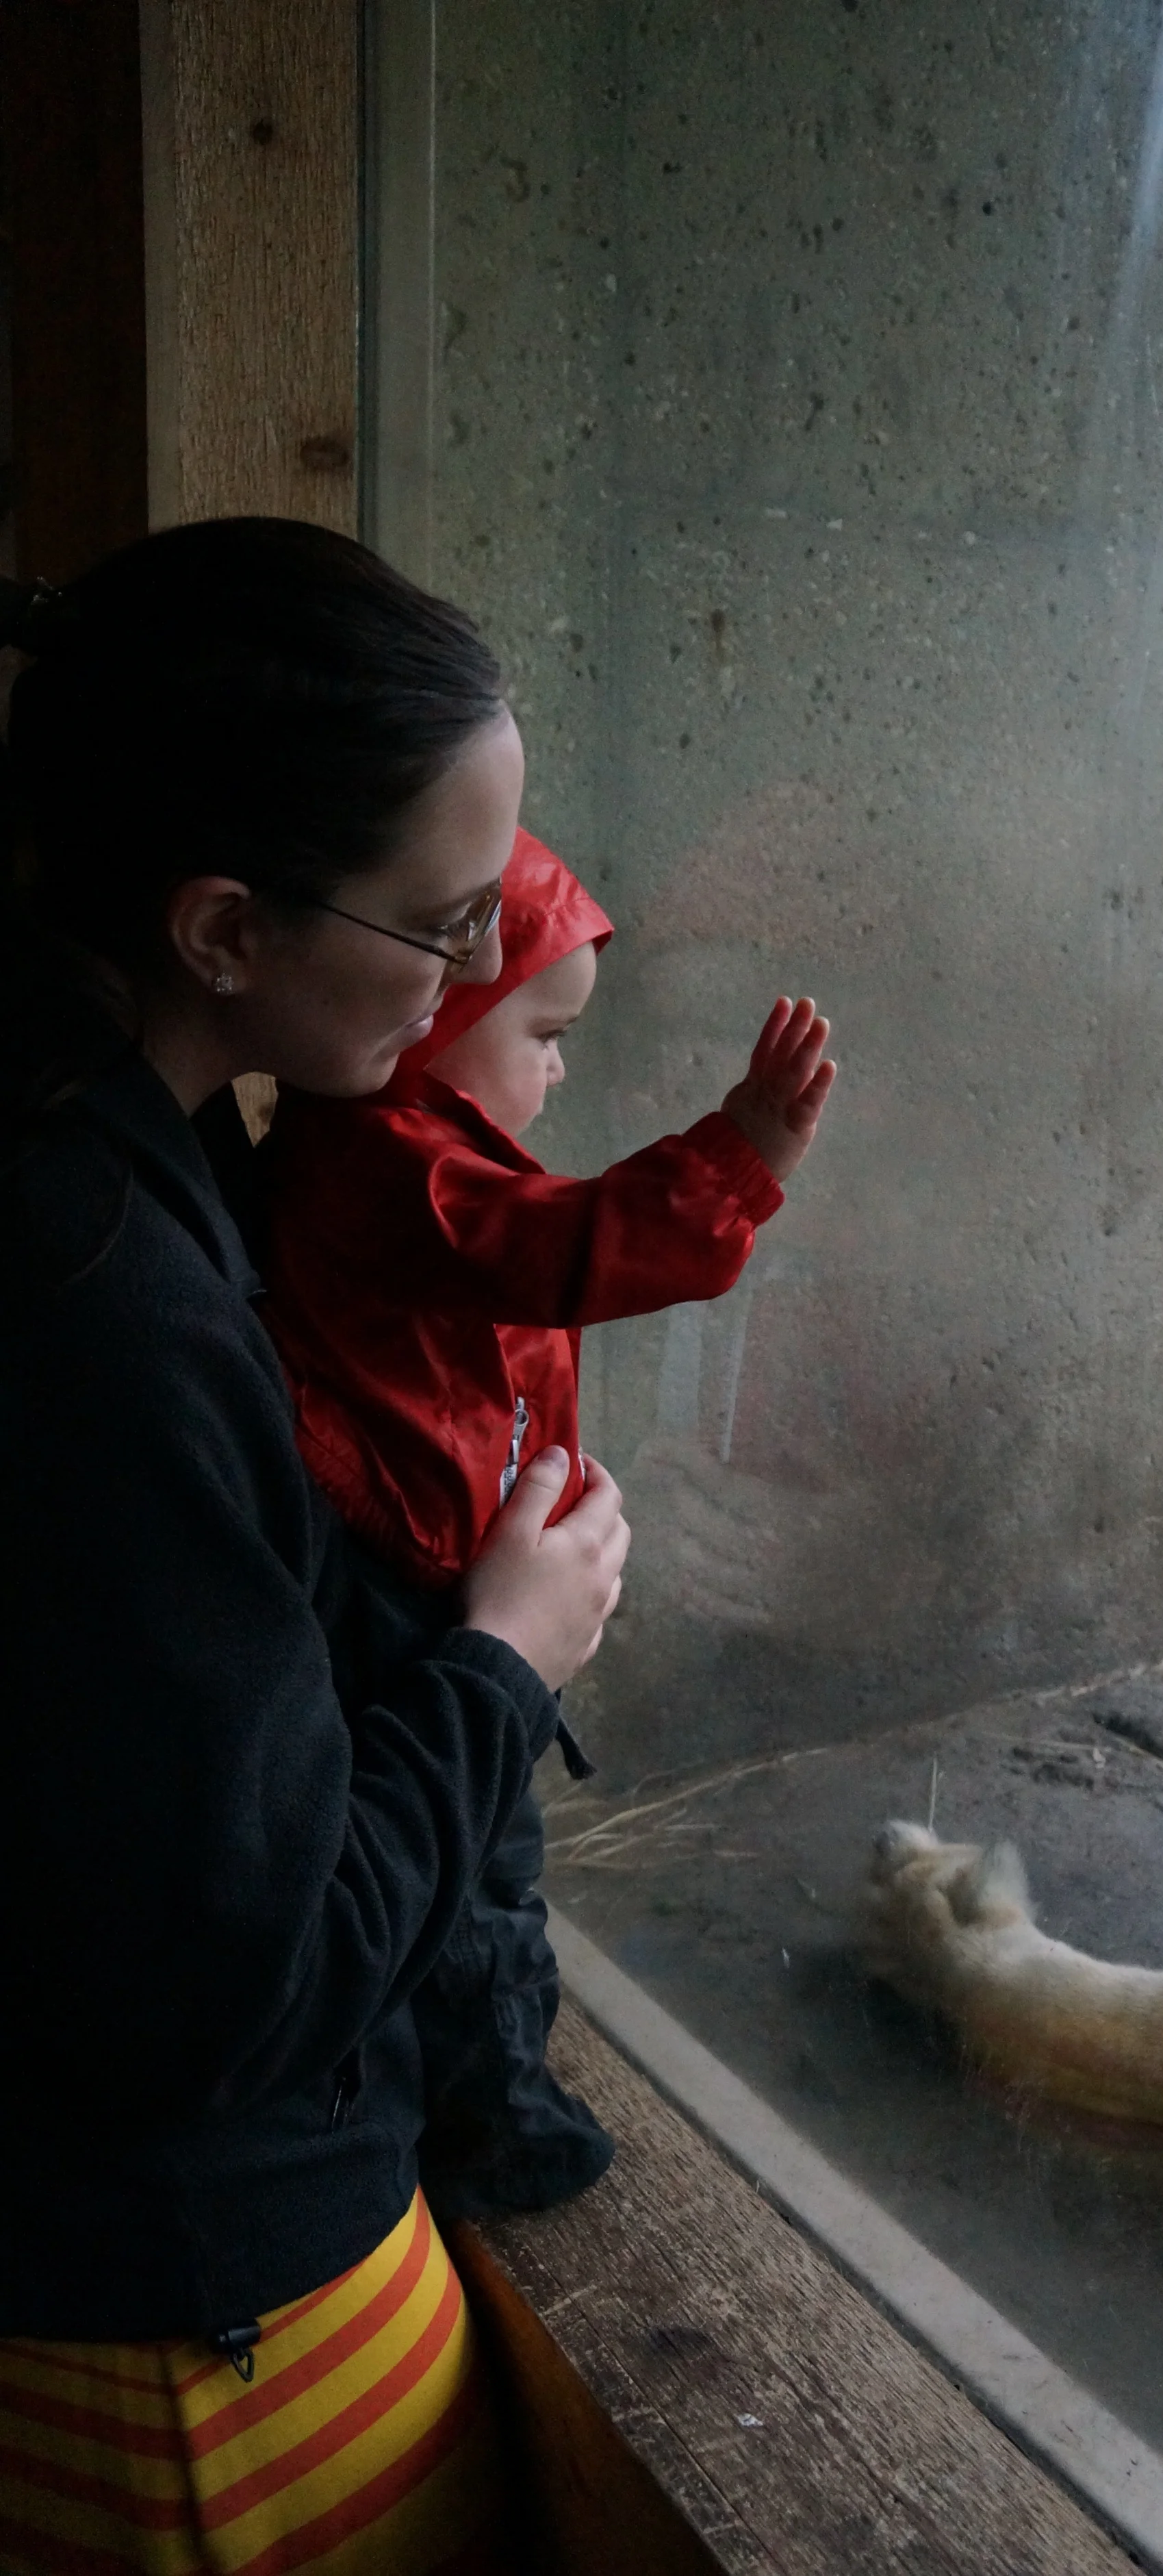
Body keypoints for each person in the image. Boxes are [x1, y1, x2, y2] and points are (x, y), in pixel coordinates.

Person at [0, 518, 630, 2575]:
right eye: (442, 924)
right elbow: (240, 1984)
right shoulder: (103, 1301)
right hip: (198, 2336)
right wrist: (506, 1656)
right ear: (217, 930)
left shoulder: (105, 1136)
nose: (469, 980)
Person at [257, 823, 834, 2219]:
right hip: (402, 1577)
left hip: (411, 1552)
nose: (560, 1067)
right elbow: (558, 1248)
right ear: (438, 1011)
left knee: (473, 1855)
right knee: (476, 1868)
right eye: (544, 1032)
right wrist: (734, 1158)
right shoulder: (379, 1160)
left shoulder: (388, 1146)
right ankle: (491, 2123)